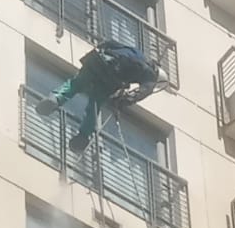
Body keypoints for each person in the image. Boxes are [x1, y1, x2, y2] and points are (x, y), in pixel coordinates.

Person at [35, 40, 165, 155]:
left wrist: (99, 49)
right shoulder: (151, 76)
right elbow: (142, 92)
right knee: (94, 105)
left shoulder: (137, 52)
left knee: (75, 84)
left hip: (99, 60)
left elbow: (110, 42)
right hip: (111, 78)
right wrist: (122, 103)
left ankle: (55, 98)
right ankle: (83, 135)